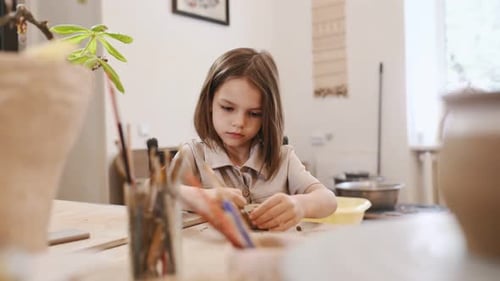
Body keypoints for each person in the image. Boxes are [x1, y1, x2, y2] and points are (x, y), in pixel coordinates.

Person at [177, 47, 337, 231]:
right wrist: (202, 198)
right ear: (210, 103)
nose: (239, 122)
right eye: (228, 108)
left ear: (267, 115)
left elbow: (328, 200)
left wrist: (300, 205)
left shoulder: (282, 158)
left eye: (254, 113)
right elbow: (150, 195)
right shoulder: (193, 156)